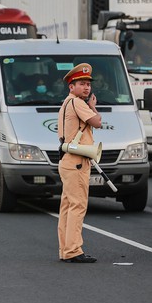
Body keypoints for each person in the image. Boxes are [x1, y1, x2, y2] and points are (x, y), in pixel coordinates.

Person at [56, 63, 102, 263]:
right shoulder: (78, 103)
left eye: (88, 84)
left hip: (68, 160)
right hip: (77, 162)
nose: (86, 88)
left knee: (67, 206)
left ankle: (66, 250)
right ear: (71, 86)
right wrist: (92, 106)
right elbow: (98, 122)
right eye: (82, 83)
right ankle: (74, 250)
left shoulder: (67, 102)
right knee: (78, 206)